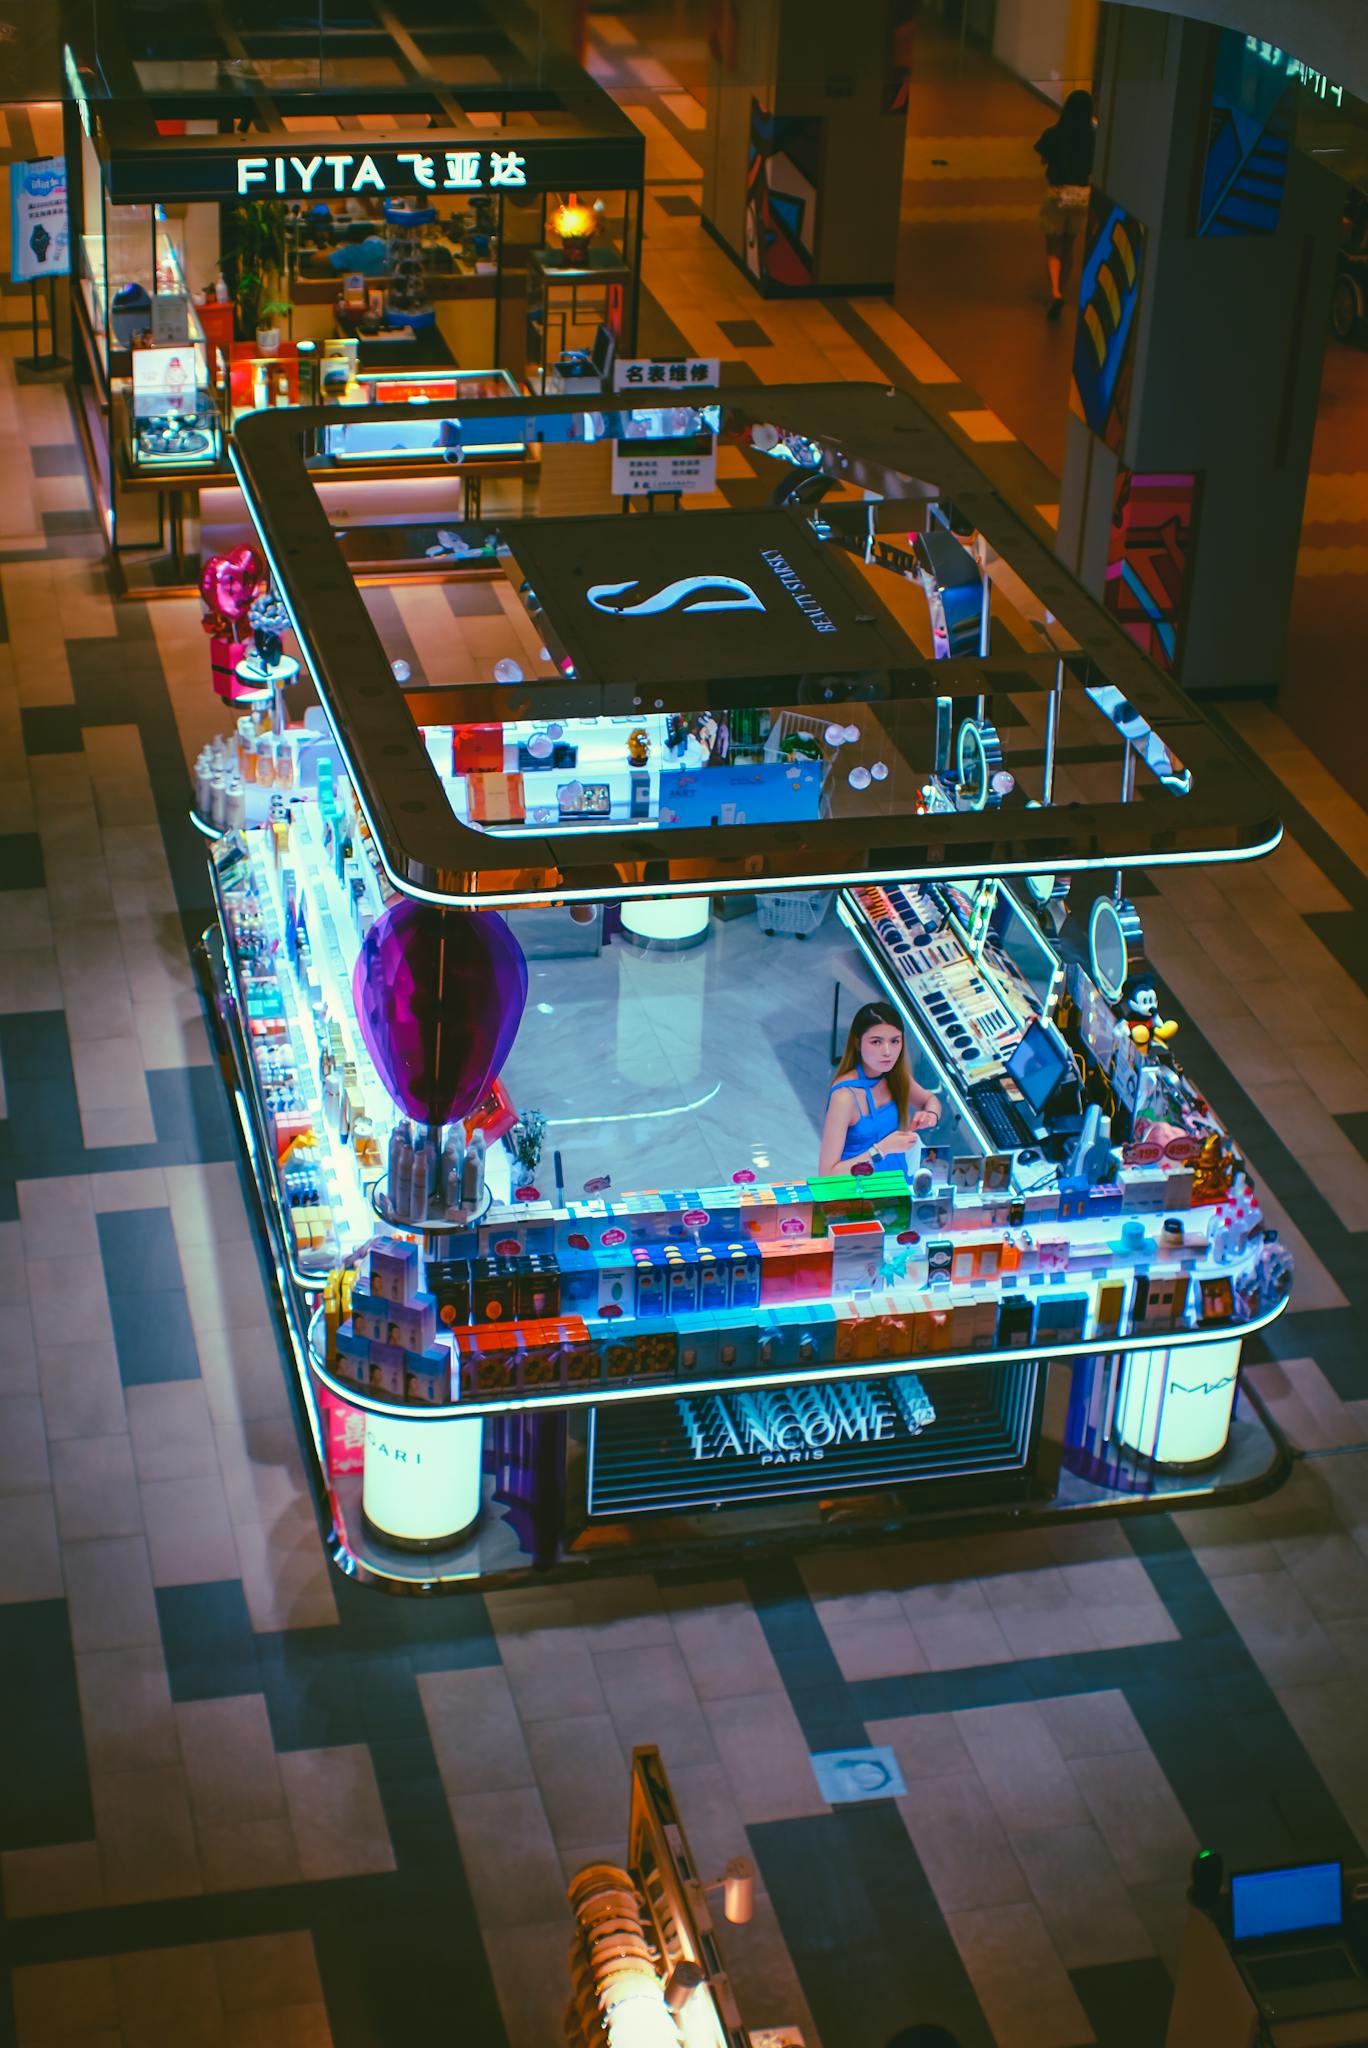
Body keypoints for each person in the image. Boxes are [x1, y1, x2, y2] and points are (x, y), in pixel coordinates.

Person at [819, 1002, 941, 1176]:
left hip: (897, 1186)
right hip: (859, 1194)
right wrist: (881, 1149)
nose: (887, 1051)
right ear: (857, 1042)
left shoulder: (895, 1077)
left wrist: (931, 1115)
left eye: (895, 1041)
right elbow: (827, 1174)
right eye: (876, 1042)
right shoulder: (844, 1097)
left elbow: (930, 1100)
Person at [1034, 88, 1095, 319]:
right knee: (1069, 246)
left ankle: (1055, 292)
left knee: (1053, 248)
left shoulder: (1054, 133)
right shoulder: (1093, 137)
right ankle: (1064, 290)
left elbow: (1043, 158)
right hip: (1081, 196)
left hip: (1057, 193)